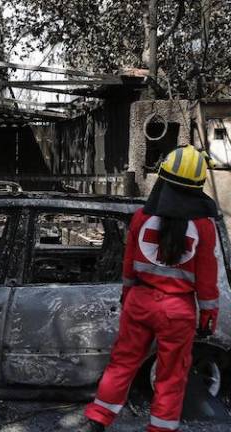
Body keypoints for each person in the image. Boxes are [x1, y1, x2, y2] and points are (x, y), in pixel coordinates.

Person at [80, 145, 220, 432]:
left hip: (140, 302)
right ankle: (160, 428)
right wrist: (208, 318)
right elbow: (207, 279)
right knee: (171, 375)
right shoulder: (204, 227)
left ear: (163, 178)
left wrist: (127, 297)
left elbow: (129, 267)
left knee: (121, 364)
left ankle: (97, 419)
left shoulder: (142, 218)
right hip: (178, 310)